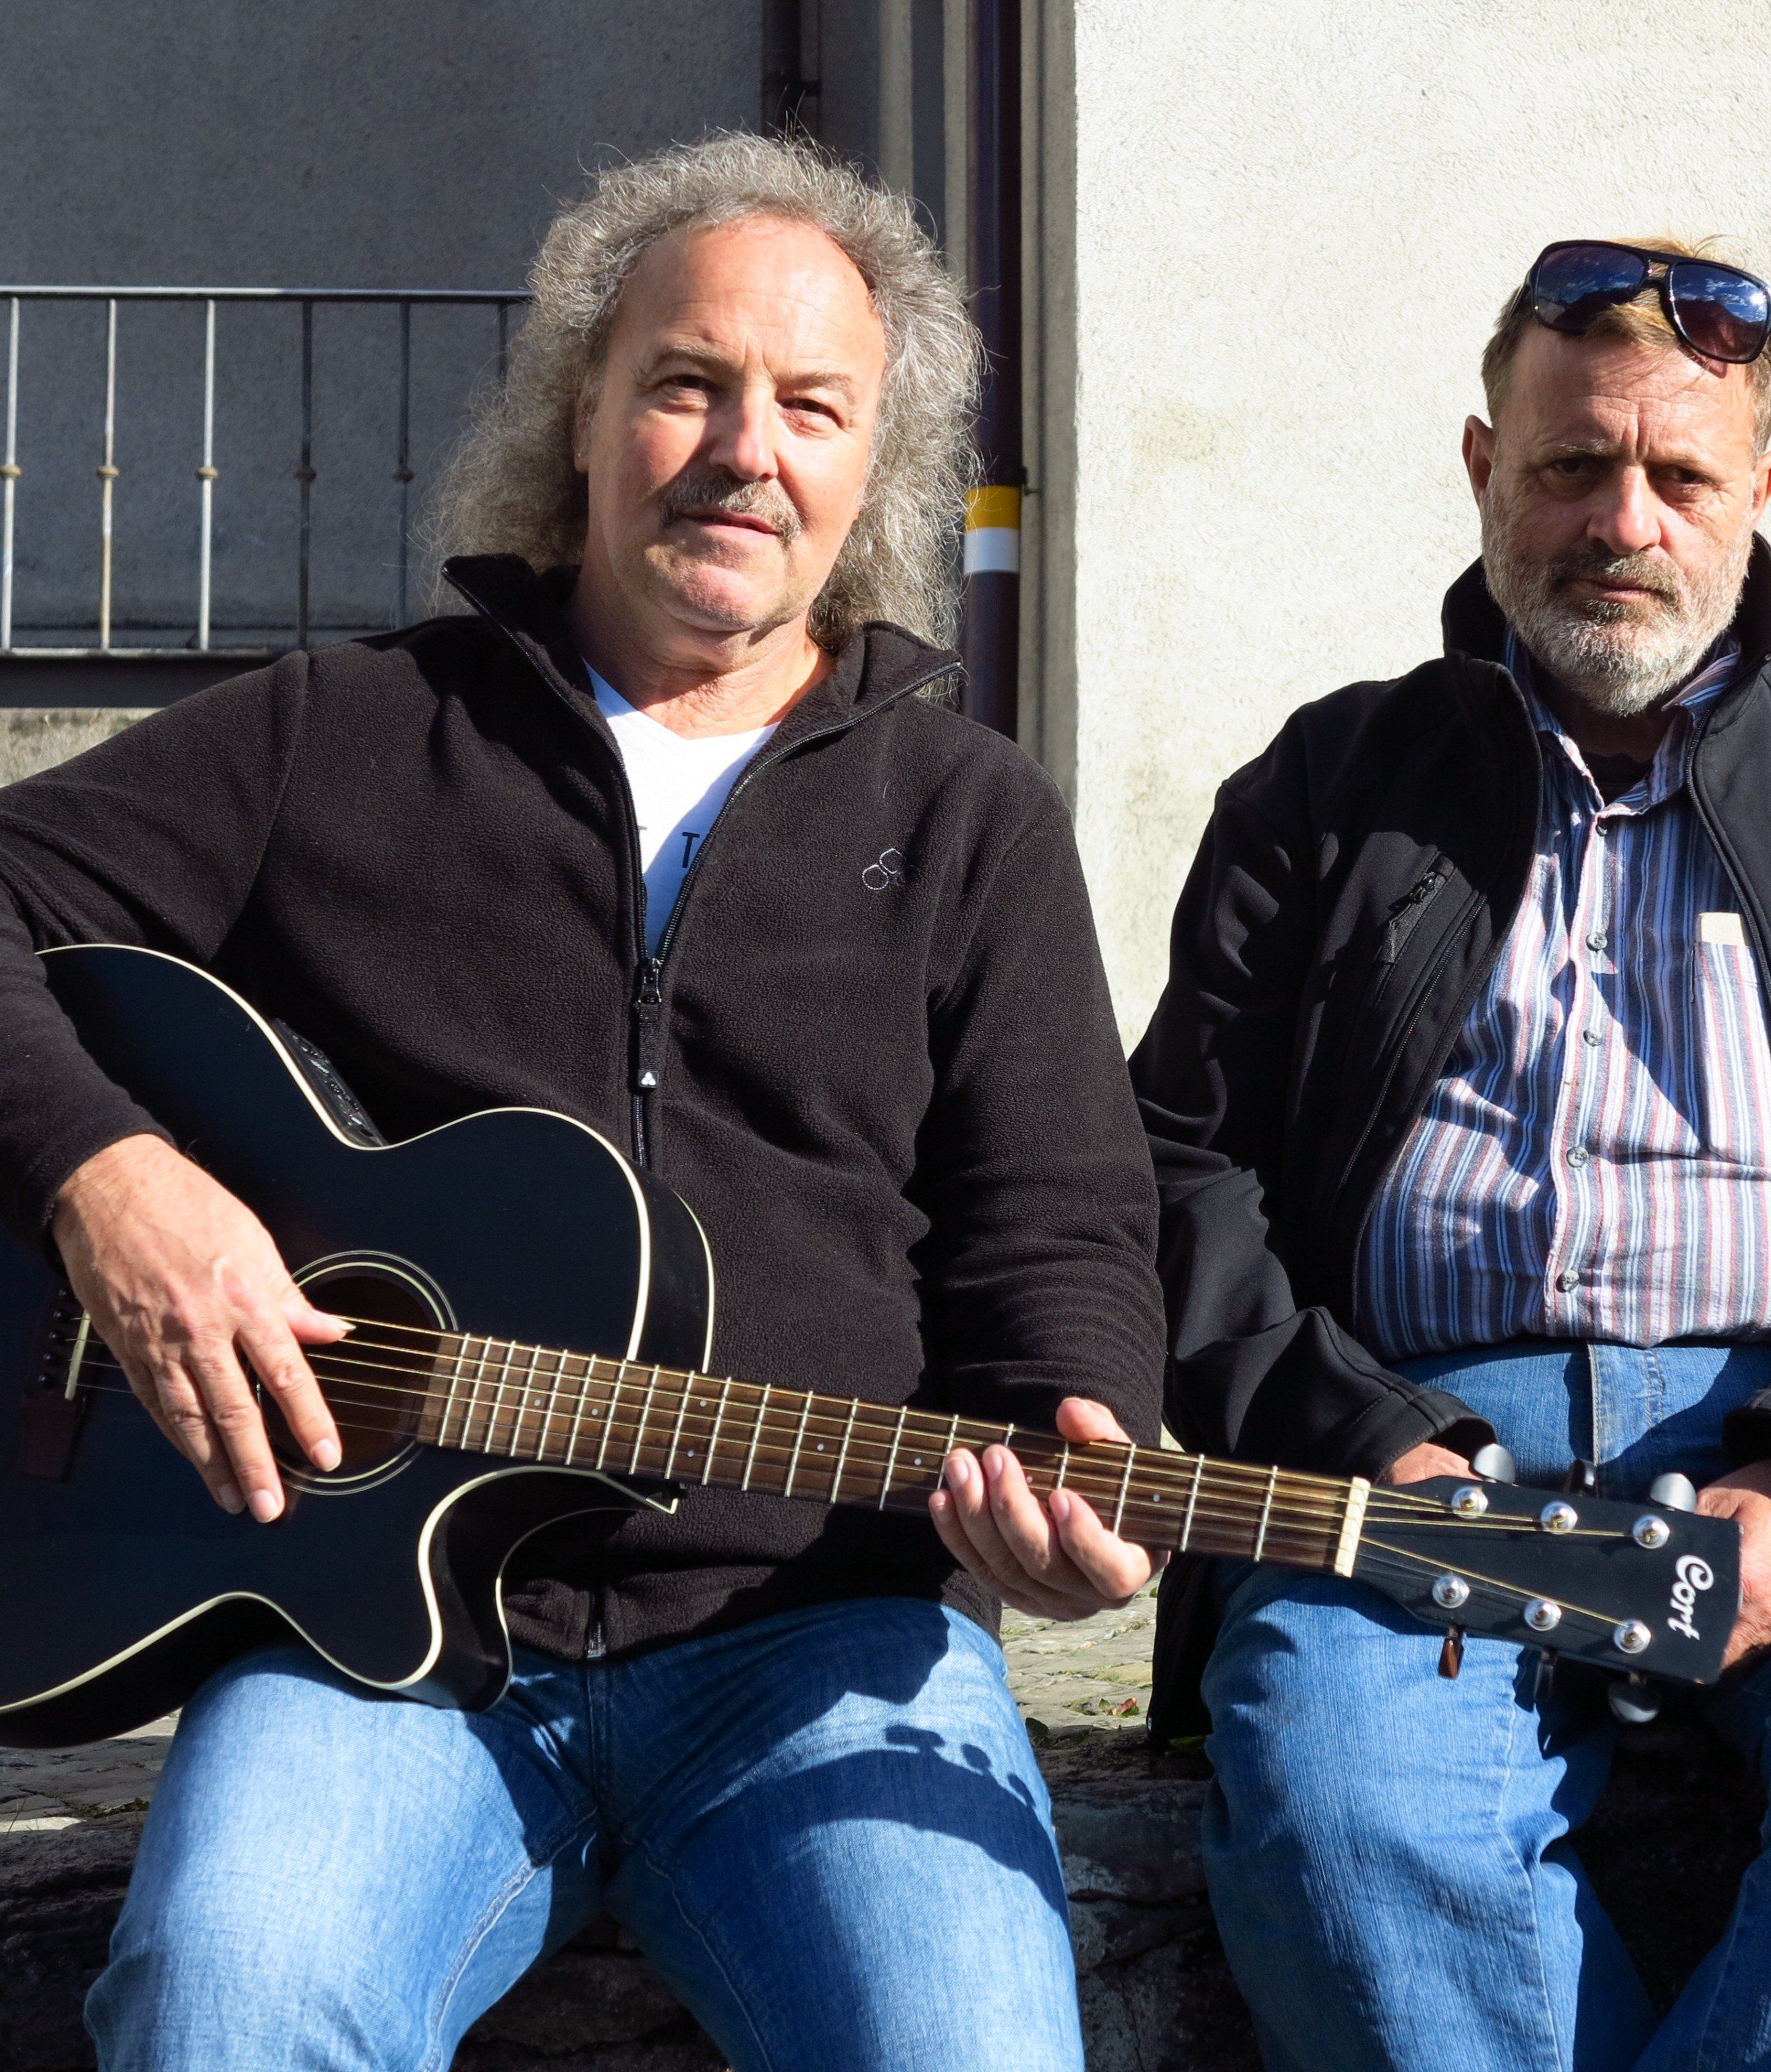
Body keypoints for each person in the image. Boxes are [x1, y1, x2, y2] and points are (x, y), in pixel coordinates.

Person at [0, 134, 1164, 2072]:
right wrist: (107, 1179)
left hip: (822, 1635)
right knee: (229, 2001)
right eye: (688, 383)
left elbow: (1060, 1226)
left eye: (812, 406)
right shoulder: (348, 729)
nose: (744, 449)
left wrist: (1078, 1465)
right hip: (371, 1649)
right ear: (583, 412)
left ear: (874, 465)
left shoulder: (971, 822)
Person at [1125, 238, 1771, 2071]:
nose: (1623, 520)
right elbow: (1175, 1172)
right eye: (1570, 466)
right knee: (1346, 1814)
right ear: (1479, 468)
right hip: (1423, 1459)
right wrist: (1379, 1444)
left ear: (1757, 490)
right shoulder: (1326, 788)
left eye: (1678, 476)